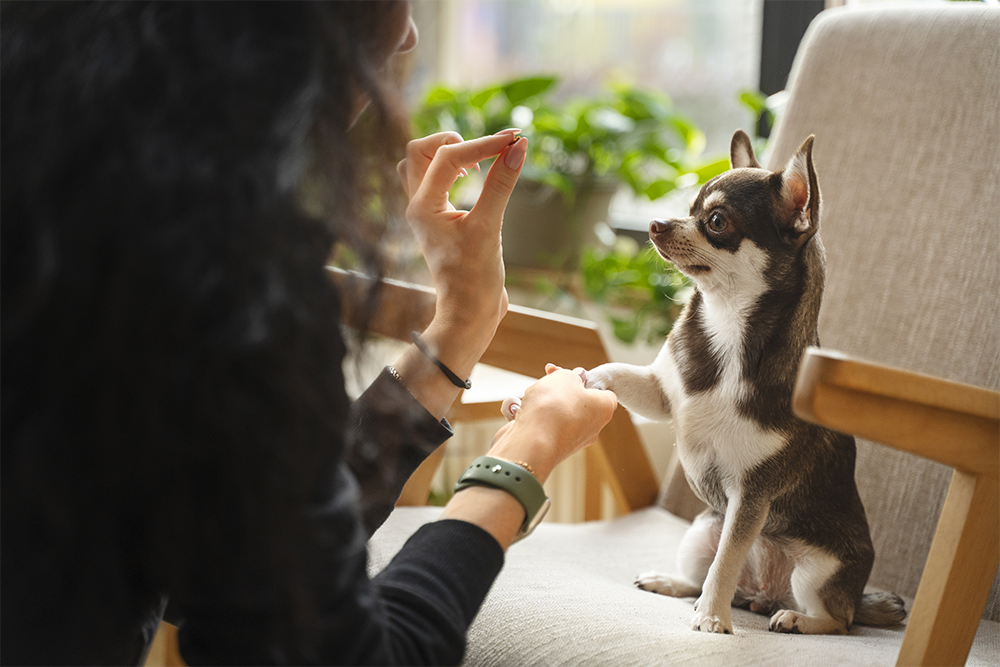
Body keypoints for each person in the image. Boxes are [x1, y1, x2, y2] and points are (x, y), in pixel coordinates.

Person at [0, 1, 618, 665]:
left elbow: (254, 554)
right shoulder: (211, 265)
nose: (408, 32)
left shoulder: (76, 196)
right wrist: (525, 454)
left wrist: (458, 330)